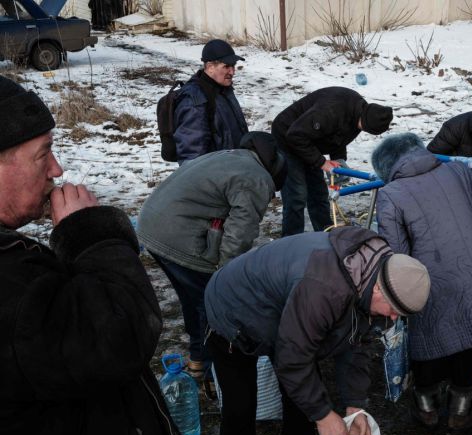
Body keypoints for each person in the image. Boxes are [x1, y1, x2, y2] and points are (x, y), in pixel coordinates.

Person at [0, 77, 210, 435]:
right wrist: (93, 237)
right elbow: (118, 334)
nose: (56, 169)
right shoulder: (10, 283)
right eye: (42, 154)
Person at [203, 226, 430, 435]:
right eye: (393, 311)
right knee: (240, 403)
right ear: (379, 290)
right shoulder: (325, 288)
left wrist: (355, 407)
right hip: (234, 309)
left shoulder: (374, 274)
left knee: (305, 395)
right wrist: (324, 416)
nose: (393, 318)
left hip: (287, 312)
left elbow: (357, 343)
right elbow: (293, 359)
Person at [373, 133, 472, 430]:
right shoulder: (455, 170)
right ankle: (461, 410)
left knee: (430, 338)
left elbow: (396, 252)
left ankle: (426, 406)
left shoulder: (391, 193)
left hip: (430, 278)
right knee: (469, 333)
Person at [137, 131, 286, 382]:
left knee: (192, 298)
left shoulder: (234, 156)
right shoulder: (257, 178)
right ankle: (213, 369)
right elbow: (240, 231)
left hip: (152, 226)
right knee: (213, 301)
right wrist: (226, 276)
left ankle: (198, 359)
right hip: (177, 234)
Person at [272, 87, 393, 236]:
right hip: (288, 136)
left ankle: (325, 232)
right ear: (366, 122)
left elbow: (339, 137)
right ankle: (290, 240)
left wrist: (338, 160)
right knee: (297, 194)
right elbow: (295, 135)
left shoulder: (360, 113)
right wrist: (322, 162)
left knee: (318, 193)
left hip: (310, 141)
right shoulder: (330, 111)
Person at [173, 39, 249, 162]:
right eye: (227, 66)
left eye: (233, 66)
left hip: (235, 170)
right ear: (210, 67)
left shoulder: (224, 89)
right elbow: (191, 156)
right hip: (217, 176)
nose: (232, 71)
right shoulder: (194, 100)